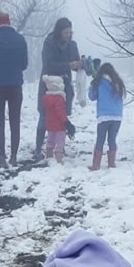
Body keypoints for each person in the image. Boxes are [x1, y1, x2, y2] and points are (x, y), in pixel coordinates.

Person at [0, 9, 28, 168]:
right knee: (15, 120)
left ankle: (1, 156)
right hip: (16, 85)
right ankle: (14, 155)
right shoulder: (20, 39)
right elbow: (24, 65)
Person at [34, 17, 81, 161]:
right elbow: (48, 64)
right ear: (59, 31)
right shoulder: (49, 43)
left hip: (64, 85)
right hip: (48, 84)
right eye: (65, 32)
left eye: (69, 32)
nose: (68, 35)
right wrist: (68, 65)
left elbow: (76, 63)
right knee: (45, 115)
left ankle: (59, 147)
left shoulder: (72, 45)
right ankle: (39, 148)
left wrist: (82, 64)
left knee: (62, 116)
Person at [87, 62, 125, 170]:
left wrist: (92, 85)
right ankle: (111, 163)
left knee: (100, 139)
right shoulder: (117, 82)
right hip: (117, 116)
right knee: (112, 139)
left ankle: (96, 164)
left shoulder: (99, 82)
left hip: (103, 116)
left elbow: (91, 96)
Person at [41, 75, 68, 165]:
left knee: (50, 140)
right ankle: (59, 158)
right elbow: (60, 112)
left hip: (49, 123)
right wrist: (66, 121)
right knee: (60, 141)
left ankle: (49, 155)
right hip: (59, 124)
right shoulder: (59, 98)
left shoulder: (46, 98)